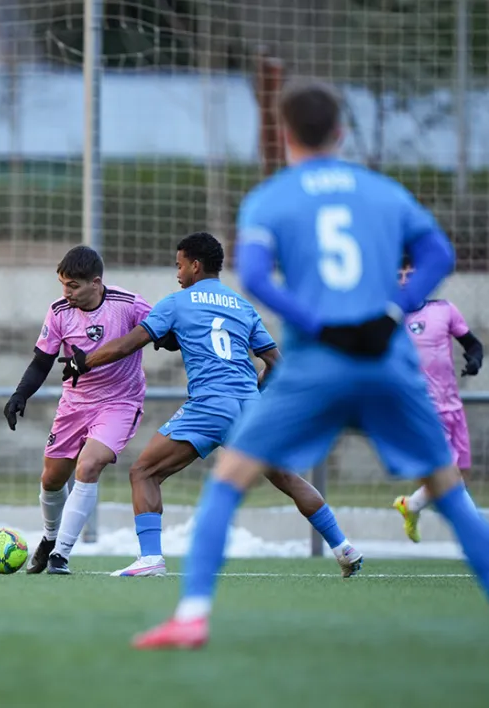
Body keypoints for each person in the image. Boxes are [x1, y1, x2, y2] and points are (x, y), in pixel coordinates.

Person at [129, 79, 489, 652]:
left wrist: (318, 326)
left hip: (316, 363)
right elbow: (440, 253)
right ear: (340, 133)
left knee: (228, 481)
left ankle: (192, 616)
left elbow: (258, 276)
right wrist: (392, 309)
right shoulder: (383, 191)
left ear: (284, 135)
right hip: (386, 360)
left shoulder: (270, 198)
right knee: (445, 486)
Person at [61, 232, 361, 579]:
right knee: (287, 478)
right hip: (248, 407)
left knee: (143, 472)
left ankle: (151, 558)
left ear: (195, 265)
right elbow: (276, 364)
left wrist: (83, 362)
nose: (177, 273)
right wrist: (252, 393)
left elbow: (128, 344)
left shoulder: (177, 303)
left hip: (208, 406)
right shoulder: (242, 306)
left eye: (179, 265)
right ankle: (343, 547)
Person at [3, 245, 150, 574]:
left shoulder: (128, 305)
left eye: (73, 286)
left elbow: (160, 330)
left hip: (119, 401)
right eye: (62, 284)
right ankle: (50, 538)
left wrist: (170, 338)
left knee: (89, 464)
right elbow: (41, 362)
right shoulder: (59, 312)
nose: (66, 292)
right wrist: (20, 395)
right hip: (74, 404)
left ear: (95, 283)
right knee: (52, 479)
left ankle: (61, 554)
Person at [392, 256, 485, 543]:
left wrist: (475, 360)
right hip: (423, 409)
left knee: (460, 474)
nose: (405, 280)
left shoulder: (444, 310)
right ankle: (482, 542)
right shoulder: (389, 318)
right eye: (399, 275)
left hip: (453, 406)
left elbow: (472, 344)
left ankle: (412, 505)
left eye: (410, 274)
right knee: (450, 474)